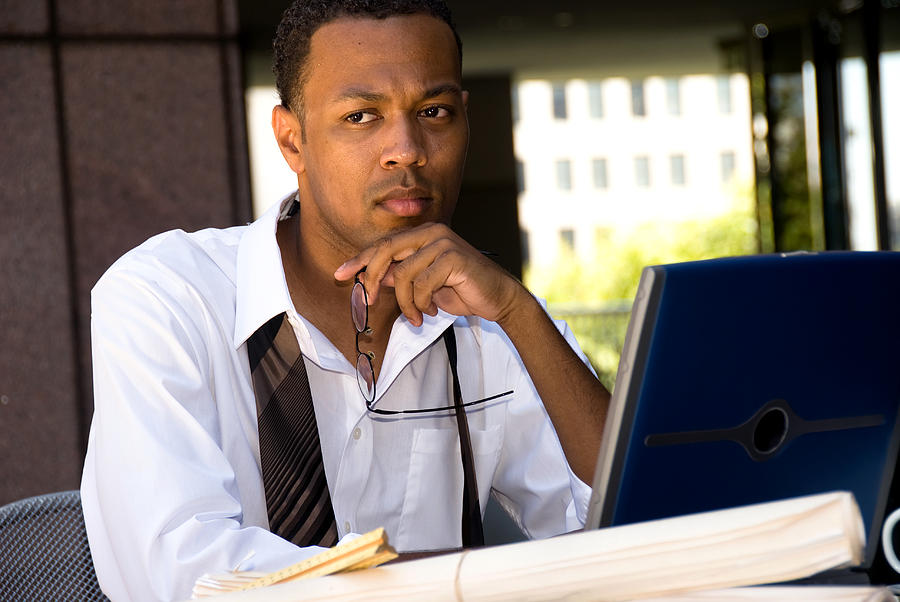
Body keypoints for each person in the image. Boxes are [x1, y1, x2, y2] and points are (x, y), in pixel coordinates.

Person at [81, 1, 610, 600]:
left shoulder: (489, 320)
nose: (407, 149)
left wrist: (520, 313)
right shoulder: (170, 297)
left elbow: (637, 531)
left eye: (433, 112)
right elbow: (182, 576)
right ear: (292, 141)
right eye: (362, 116)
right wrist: (453, 583)